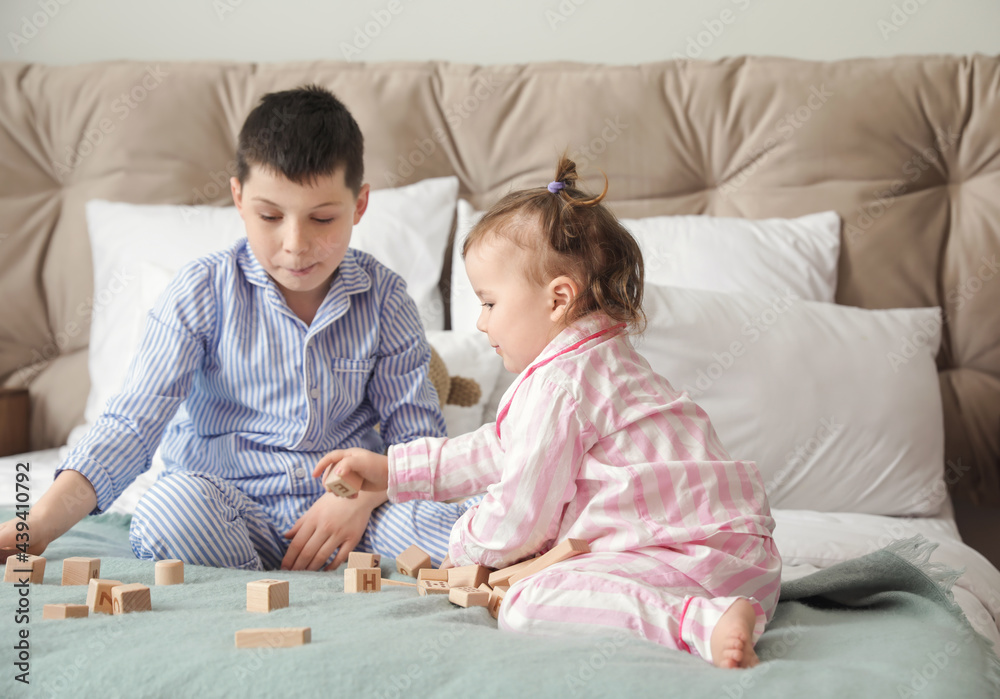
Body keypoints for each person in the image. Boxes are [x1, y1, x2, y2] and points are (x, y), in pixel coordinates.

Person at [315, 156, 782, 669]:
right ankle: (723, 611)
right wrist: (392, 470)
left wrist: (464, 550)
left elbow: (520, 518)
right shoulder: (600, 361)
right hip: (747, 566)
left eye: (489, 303)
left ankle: (700, 624)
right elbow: (498, 449)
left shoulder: (559, 386)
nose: (480, 321)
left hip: (685, 560)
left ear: (558, 299)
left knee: (528, 603)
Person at [0, 85, 474, 572]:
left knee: (450, 530)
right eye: (270, 216)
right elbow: (131, 426)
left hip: (351, 511)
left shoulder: (386, 298)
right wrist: (36, 525)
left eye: (323, 218)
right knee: (169, 513)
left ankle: (319, 570)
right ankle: (265, 583)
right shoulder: (200, 290)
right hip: (227, 509)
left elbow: (416, 442)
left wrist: (361, 495)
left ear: (359, 205)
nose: (295, 244)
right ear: (238, 199)